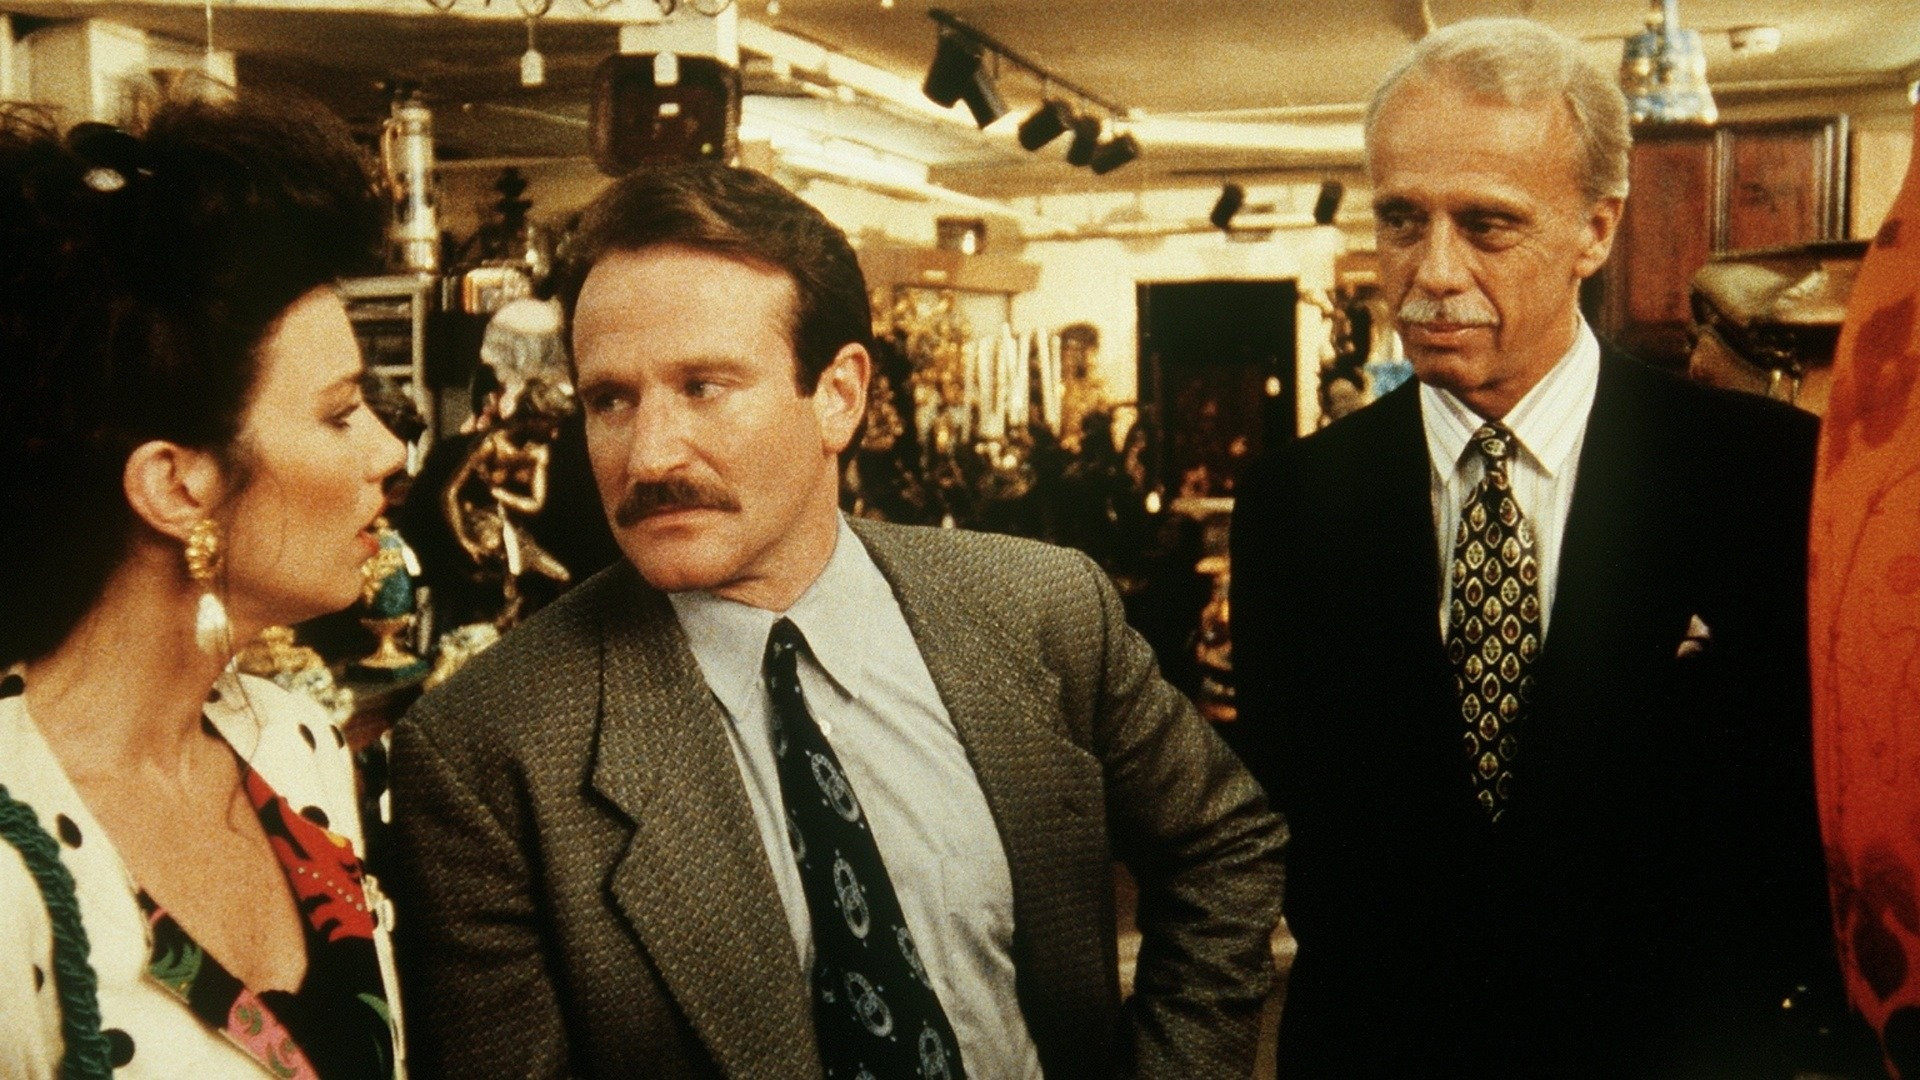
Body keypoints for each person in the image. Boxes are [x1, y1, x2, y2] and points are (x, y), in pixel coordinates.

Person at [387, 161, 1286, 1079]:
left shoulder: (1038, 610)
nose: (648, 455)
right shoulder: (488, 752)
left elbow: (1223, 843)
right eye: (609, 400)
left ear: (840, 396)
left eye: (703, 387)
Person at [1227, 18, 1835, 1077]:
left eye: (1488, 225)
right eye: (1402, 220)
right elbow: (1296, 835)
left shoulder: (1769, 476)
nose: (1433, 272)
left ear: (1596, 231)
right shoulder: (1293, 504)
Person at [0, 94, 407, 1077]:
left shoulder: (298, 748)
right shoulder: (12, 862)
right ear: (177, 487)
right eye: (340, 414)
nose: (390, 451)